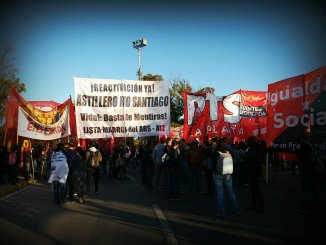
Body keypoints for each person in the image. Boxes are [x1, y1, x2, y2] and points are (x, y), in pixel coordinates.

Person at [213, 139, 240, 217]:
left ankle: (221, 212)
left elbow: (214, 164)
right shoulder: (229, 152)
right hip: (228, 174)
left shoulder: (216, 153)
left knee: (220, 194)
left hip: (218, 174)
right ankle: (236, 209)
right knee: (231, 192)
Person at [245, 136, 264, 212]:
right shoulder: (254, 148)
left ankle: (260, 205)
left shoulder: (254, 149)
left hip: (253, 170)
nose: (247, 143)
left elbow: (249, 158)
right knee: (253, 188)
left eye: (248, 141)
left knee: (255, 188)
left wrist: (246, 157)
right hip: (253, 169)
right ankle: (254, 204)